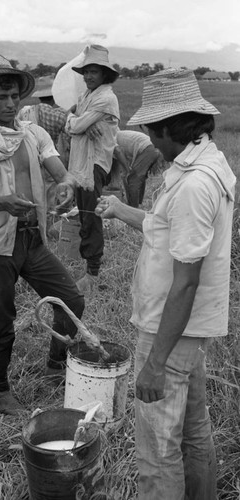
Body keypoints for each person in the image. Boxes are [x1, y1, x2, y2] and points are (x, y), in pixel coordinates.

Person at [95, 68, 236, 500]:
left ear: (171, 128)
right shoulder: (200, 162)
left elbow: (186, 283)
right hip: (185, 334)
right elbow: (164, 227)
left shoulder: (195, 184)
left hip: (169, 332)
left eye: (153, 132)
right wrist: (120, 208)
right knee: (193, 432)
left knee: (156, 450)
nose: (151, 142)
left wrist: (154, 362)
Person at [0, 55, 84, 416]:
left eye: (13, 97)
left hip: (32, 241)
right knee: (1, 322)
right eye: (1, 98)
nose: (10, 105)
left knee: (71, 301)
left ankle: (56, 365)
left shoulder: (33, 134)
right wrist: (0, 203)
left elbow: (62, 173)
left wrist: (66, 186)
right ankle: (1, 391)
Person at [65, 45, 120, 293]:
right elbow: (71, 121)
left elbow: (73, 126)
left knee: (91, 216)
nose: (88, 76)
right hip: (81, 163)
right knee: (86, 214)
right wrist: (80, 124)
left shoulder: (105, 98)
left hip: (93, 165)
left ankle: (93, 274)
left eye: (94, 72)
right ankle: (89, 267)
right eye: (86, 72)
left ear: (104, 75)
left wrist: (78, 124)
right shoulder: (87, 96)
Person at [18, 86, 69, 213]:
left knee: (32, 188)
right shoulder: (58, 115)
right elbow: (71, 132)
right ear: (54, 97)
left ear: (39, 97)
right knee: (50, 190)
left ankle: (32, 215)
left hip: (27, 158)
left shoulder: (25, 111)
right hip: (50, 158)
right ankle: (48, 214)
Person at [112, 130, 163, 207]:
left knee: (133, 179)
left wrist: (127, 170)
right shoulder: (119, 137)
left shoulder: (110, 138)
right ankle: (138, 203)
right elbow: (123, 160)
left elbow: (118, 151)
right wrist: (126, 171)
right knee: (138, 177)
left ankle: (133, 208)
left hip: (148, 148)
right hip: (152, 148)